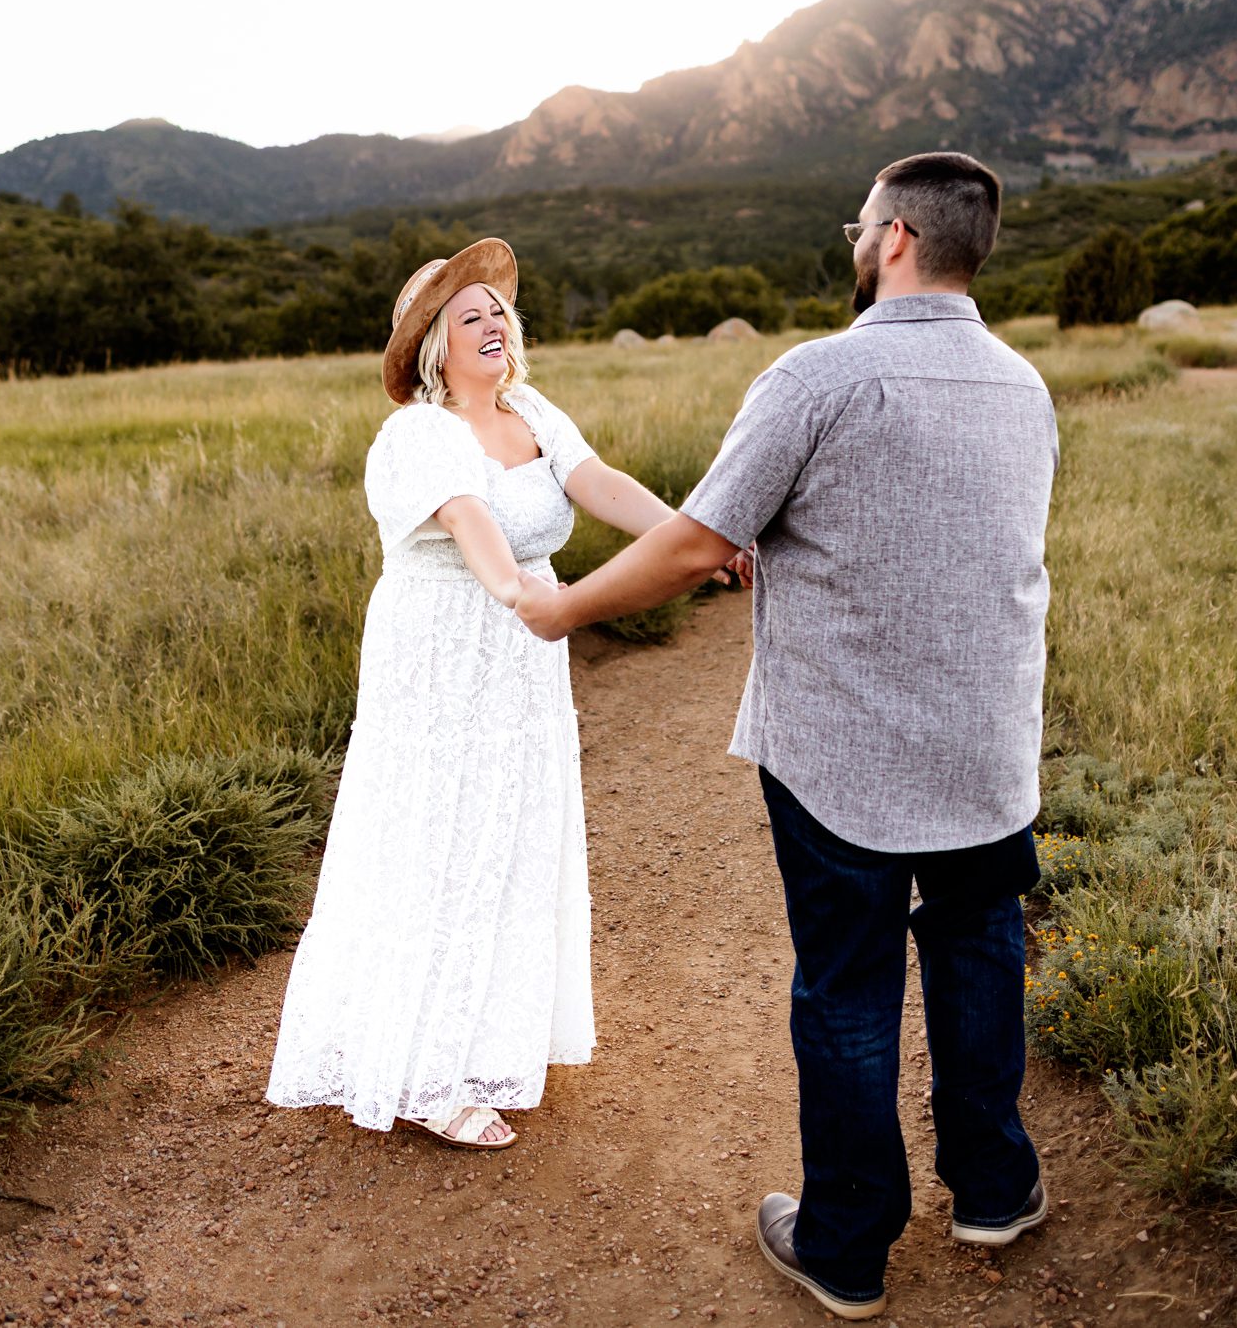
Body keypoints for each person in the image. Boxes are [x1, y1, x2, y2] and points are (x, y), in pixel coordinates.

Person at [514, 153, 1057, 1318]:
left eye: (859, 224)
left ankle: (849, 1244)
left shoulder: (819, 374)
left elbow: (695, 541)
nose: (855, 239)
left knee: (849, 987)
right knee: (978, 955)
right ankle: (995, 1188)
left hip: (842, 755)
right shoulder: (1025, 384)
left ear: (897, 235)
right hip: (988, 750)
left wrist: (561, 604)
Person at [264, 237, 739, 1149]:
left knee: (510, 826)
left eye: (497, 313)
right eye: (467, 315)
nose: (490, 324)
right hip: (444, 648)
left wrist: (694, 535)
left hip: (525, 652)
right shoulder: (417, 433)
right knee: (439, 830)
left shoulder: (529, 409)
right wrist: (530, 596)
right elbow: (472, 522)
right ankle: (424, 1071)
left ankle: (489, 1037)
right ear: (432, 346)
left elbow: (594, 482)